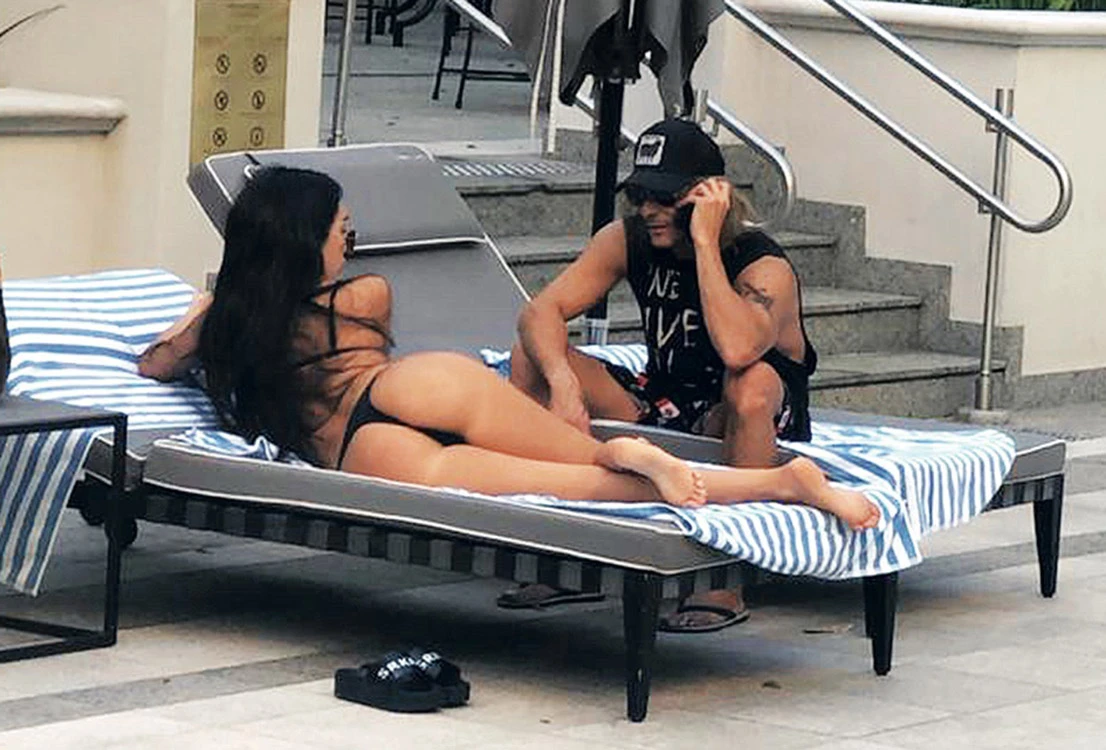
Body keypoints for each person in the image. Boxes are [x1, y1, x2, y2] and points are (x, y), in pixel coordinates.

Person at [138, 165, 877, 558]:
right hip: (425, 384)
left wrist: (211, 305)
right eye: (343, 232)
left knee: (579, 487)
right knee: (584, 454)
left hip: (363, 448)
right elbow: (359, 325)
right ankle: (743, 472)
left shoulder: (228, 325)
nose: (349, 245)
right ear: (307, 242)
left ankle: (779, 484)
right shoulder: (364, 296)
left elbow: (156, 365)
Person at [506, 118, 830, 631]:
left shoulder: (762, 265)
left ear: (710, 198)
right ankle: (564, 547)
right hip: (664, 398)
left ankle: (723, 577)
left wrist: (704, 245)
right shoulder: (627, 238)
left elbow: (739, 349)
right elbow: (539, 312)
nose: (648, 211)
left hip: (745, 411)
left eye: (664, 198)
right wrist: (564, 386)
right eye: (639, 195)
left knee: (751, 384)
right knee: (533, 356)